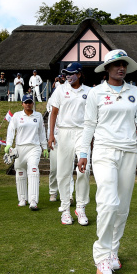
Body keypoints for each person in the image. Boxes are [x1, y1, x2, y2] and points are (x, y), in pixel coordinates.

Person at [77, 49, 137, 274]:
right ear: (107, 68)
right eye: (116, 65)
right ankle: (101, 257)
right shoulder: (96, 93)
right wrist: (83, 152)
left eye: (124, 65)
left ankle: (113, 251)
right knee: (108, 202)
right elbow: (89, 124)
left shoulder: (135, 92)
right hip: (103, 150)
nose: (121, 68)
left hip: (129, 150)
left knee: (122, 206)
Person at [48, 62, 92, 225]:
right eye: (66, 73)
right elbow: (53, 113)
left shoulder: (89, 92)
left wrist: (92, 138)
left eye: (72, 73)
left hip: (83, 132)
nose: (68, 76)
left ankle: (80, 207)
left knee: (84, 170)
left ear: (79, 74)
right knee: (63, 172)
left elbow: (92, 117)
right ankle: (65, 209)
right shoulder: (60, 89)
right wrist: (51, 135)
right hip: (64, 132)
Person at [5, 94, 48, 210]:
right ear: (22, 104)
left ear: (32, 103)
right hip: (20, 148)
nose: (28, 104)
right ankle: (22, 198)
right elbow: (11, 130)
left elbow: (42, 133)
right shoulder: (17, 116)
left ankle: (33, 200)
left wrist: (44, 147)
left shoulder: (38, 116)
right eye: (26, 102)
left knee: (33, 170)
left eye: (30, 102)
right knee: (20, 171)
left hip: (34, 147)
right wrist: (8, 144)